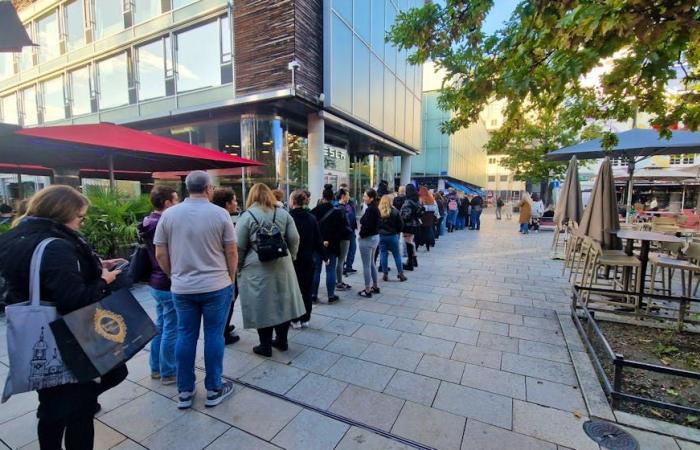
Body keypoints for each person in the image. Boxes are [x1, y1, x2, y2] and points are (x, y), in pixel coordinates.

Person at [0, 185, 128, 450]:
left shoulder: (19, 236)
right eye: (80, 216)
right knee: (79, 407)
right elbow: (74, 300)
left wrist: (91, 267)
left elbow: (45, 277)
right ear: (63, 213)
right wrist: (103, 280)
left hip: (39, 331)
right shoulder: (56, 245)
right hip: (67, 337)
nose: (82, 222)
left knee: (51, 403)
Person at [154, 171, 238, 409]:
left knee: (185, 334)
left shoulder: (169, 215)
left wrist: (173, 275)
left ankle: (185, 391)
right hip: (216, 285)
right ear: (209, 188)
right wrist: (230, 278)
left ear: (187, 188)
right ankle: (213, 388)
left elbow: (160, 253)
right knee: (214, 334)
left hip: (182, 287)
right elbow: (231, 251)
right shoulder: (220, 213)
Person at [236, 183, 305, 357]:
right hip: (282, 263)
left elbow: (238, 246)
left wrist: (239, 266)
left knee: (261, 304)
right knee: (283, 301)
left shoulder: (247, 216)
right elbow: (295, 238)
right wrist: (292, 256)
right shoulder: (283, 213)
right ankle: (282, 340)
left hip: (256, 266)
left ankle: (264, 345)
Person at [139, 186, 179, 385]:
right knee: (172, 328)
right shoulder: (164, 223)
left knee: (161, 326)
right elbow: (165, 255)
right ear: (167, 203)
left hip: (155, 283)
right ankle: (169, 371)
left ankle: (156, 367)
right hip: (167, 281)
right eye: (176, 199)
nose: (178, 203)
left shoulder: (148, 221)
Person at [289, 190, 326, 329]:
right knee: (306, 289)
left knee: (294, 290)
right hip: (308, 259)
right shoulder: (311, 218)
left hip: (293, 260)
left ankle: (295, 319)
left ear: (293, 201)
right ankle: (305, 318)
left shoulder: (288, 217)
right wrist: (324, 255)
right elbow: (318, 239)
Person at [211, 187, 241, 346]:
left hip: (215, 268)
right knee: (228, 299)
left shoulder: (213, 216)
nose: (236, 203)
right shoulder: (225, 218)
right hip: (224, 269)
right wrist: (232, 275)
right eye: (234, 200)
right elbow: (231, 250)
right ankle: (223, 332)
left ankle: (224, 326)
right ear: (227, 203)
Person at [310, 184, 347, 303]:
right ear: (333, 198)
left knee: (316, 270)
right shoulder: (337, 212)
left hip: (317, 245)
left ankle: (313, 295)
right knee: (330, 270)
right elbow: (342, 230)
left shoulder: (315, 211)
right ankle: (331, 296)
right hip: (332, 245)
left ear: (322, 196)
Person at [378, 194, 406, 282]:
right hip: (393, 235)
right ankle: (400, 274)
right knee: (396, 255)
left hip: (381, 236)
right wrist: (397, 232)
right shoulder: (395, 211)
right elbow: (401, 225)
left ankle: (385, 274)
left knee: (383, 254)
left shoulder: (378, 212)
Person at [358, 189, 380, 297]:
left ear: (371, 198)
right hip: (375, 238)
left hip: (367, 239)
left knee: (366, 265)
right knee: (371, 263)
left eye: (365, 196)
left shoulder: (370, 210)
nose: (363, 198)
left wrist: (360, 235)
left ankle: (367, 289)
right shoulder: (375, 208)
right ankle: (375, 286)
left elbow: (366, 225)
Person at [400, 184, 422, 271]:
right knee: (411, 242)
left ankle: (410, 264)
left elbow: (406, 215)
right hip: (415, 224)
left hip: (408, 225)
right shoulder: (416, 200)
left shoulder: (408, 201)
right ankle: (414, 260)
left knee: (408, 242)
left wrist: (400, 216)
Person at [334, 188, 353, 291]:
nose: (349, 197)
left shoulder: (338, 206)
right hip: (344, 237)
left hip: (339, 237)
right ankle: (339, 282)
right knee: (341, 260)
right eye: (347, 195)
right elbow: (345, 224)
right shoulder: (341, 208)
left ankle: (338, 280)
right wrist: (350, 231)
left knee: (339, 260)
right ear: (343, 196)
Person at [418, 186, 439, 251]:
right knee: (429, 230)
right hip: (430, 218)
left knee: (421, 231)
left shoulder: (420, 198)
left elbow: (420, 208)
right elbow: (435, 208)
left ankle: (421, 242)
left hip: (422, 217)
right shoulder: (431, 198)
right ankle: (430, 243)